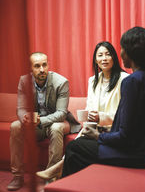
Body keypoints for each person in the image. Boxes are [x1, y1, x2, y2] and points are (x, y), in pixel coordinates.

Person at [60, 26, 145, 177]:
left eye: (122, 48)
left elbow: (124, 137)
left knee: (74, 147)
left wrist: (97, 136)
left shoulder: (132, 81)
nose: (121, 53)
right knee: (79, 146)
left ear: (131, 52)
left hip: (135, 154)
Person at [36, 41, 129, 180]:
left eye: (108, 55)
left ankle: (56, 172)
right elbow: (90, 107)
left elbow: (124, 115)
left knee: (74, 148)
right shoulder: (93, 81)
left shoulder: (125, 79)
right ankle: (61, 178)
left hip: (112, 130)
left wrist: (100, 117)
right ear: (95, 60)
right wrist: (88, 117)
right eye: (100, 55)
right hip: (94, 128)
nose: (104, 58)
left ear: (114, 58)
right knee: (74, 145)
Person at [7, 52, 81, 191]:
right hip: (36, 125)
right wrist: (26, 119)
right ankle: (17, 176)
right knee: (15, 126)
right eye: (37, 66)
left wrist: (40, 121)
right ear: (30, 69)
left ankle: (51, 176)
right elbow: (21, 109)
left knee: (56, 128)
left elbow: (61, 113)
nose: (42, 69)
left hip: (57, 122)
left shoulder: (61, 82)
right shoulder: (24, 81)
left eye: (44, 65)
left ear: (48, 65)